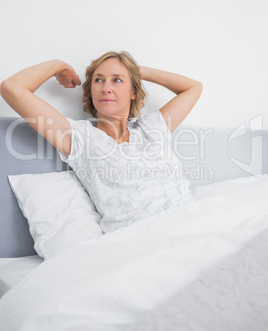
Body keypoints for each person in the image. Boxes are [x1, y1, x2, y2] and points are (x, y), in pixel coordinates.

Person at [1, 51, 203, 232]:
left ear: (133, 91)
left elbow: (193, 87)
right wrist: (57, 65)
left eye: (116, 80)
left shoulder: (152, 129)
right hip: (141, 239)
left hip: (191, 225)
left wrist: (139, 71)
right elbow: (11, 88)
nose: (106, 88)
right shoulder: (80, 138)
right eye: (98, 80)